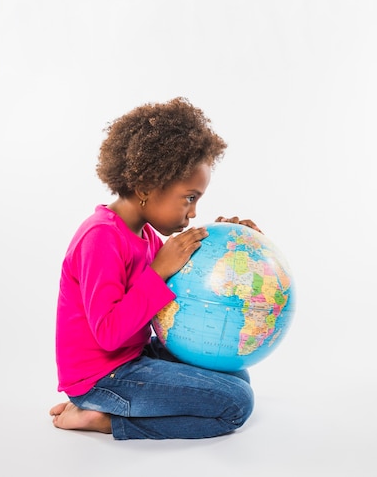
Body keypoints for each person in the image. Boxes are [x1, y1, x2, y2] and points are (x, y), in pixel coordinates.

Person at [50, 97, 261, 440]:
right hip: (101, 377)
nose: (192, 213)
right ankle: (101, 418)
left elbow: (176, 284)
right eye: (189, 197)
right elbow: (108, 334)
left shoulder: (146, 234)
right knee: (235, 403)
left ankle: (109, 408)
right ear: (147, 186)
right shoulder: (100, 237)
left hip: (132, 356)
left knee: (236, 375)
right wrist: (158, 272)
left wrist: (228, 241)